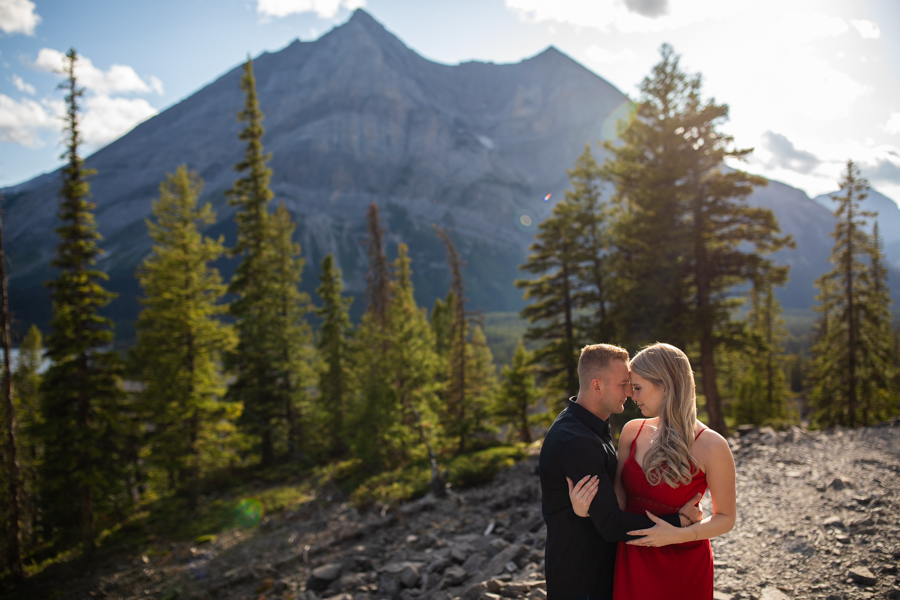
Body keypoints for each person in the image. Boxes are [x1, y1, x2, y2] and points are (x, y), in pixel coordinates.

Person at [568, 343, 737, 600]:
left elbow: (725, 518)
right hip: (631, 557)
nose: (632, 396)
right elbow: (619, 501)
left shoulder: (712, 445)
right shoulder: (631, 431)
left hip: (681, 561)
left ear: (666, 386)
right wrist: (587, 510)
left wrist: (679, 533)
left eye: (637, 387)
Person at [539, 344, 703, 600]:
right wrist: (679, 522)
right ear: (597, 386)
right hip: (583, 579)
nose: (630, 391)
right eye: (623, 383)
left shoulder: (584, 421)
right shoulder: (577, 441)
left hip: (594, 568)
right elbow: (612, 525)